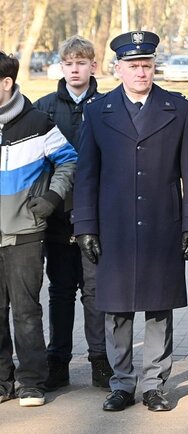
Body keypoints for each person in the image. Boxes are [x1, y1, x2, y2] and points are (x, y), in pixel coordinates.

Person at [72, 31, 188, 412]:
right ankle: (121, 384)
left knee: (159, 307)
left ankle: (154, 385)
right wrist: (85, 226)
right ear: (118, 69)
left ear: (154, 67)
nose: (141, 72)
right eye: (133, 66)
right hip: (113, 226)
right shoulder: (98, 111)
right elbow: (87, 174)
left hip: (162, 223)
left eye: (146, 65)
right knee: (116, 308)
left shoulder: (178, 109)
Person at [33, 35, 112, 392]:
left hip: (95, 215)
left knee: (94, 291)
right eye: (69, 63)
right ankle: (58, 361)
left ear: (93, 66)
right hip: (56, 215)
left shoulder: (108, 106)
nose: (75, 69)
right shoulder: (43, 109)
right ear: (61, 66)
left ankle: (100, 359)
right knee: (61, 290)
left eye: (82, 63)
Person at [0, 51, 77, 407]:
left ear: (6, 83)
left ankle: (31, 381)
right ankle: (2, 381)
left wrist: (50, 199)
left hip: (25, 232)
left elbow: (69, 160)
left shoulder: (38, 123)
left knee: (26, 310)